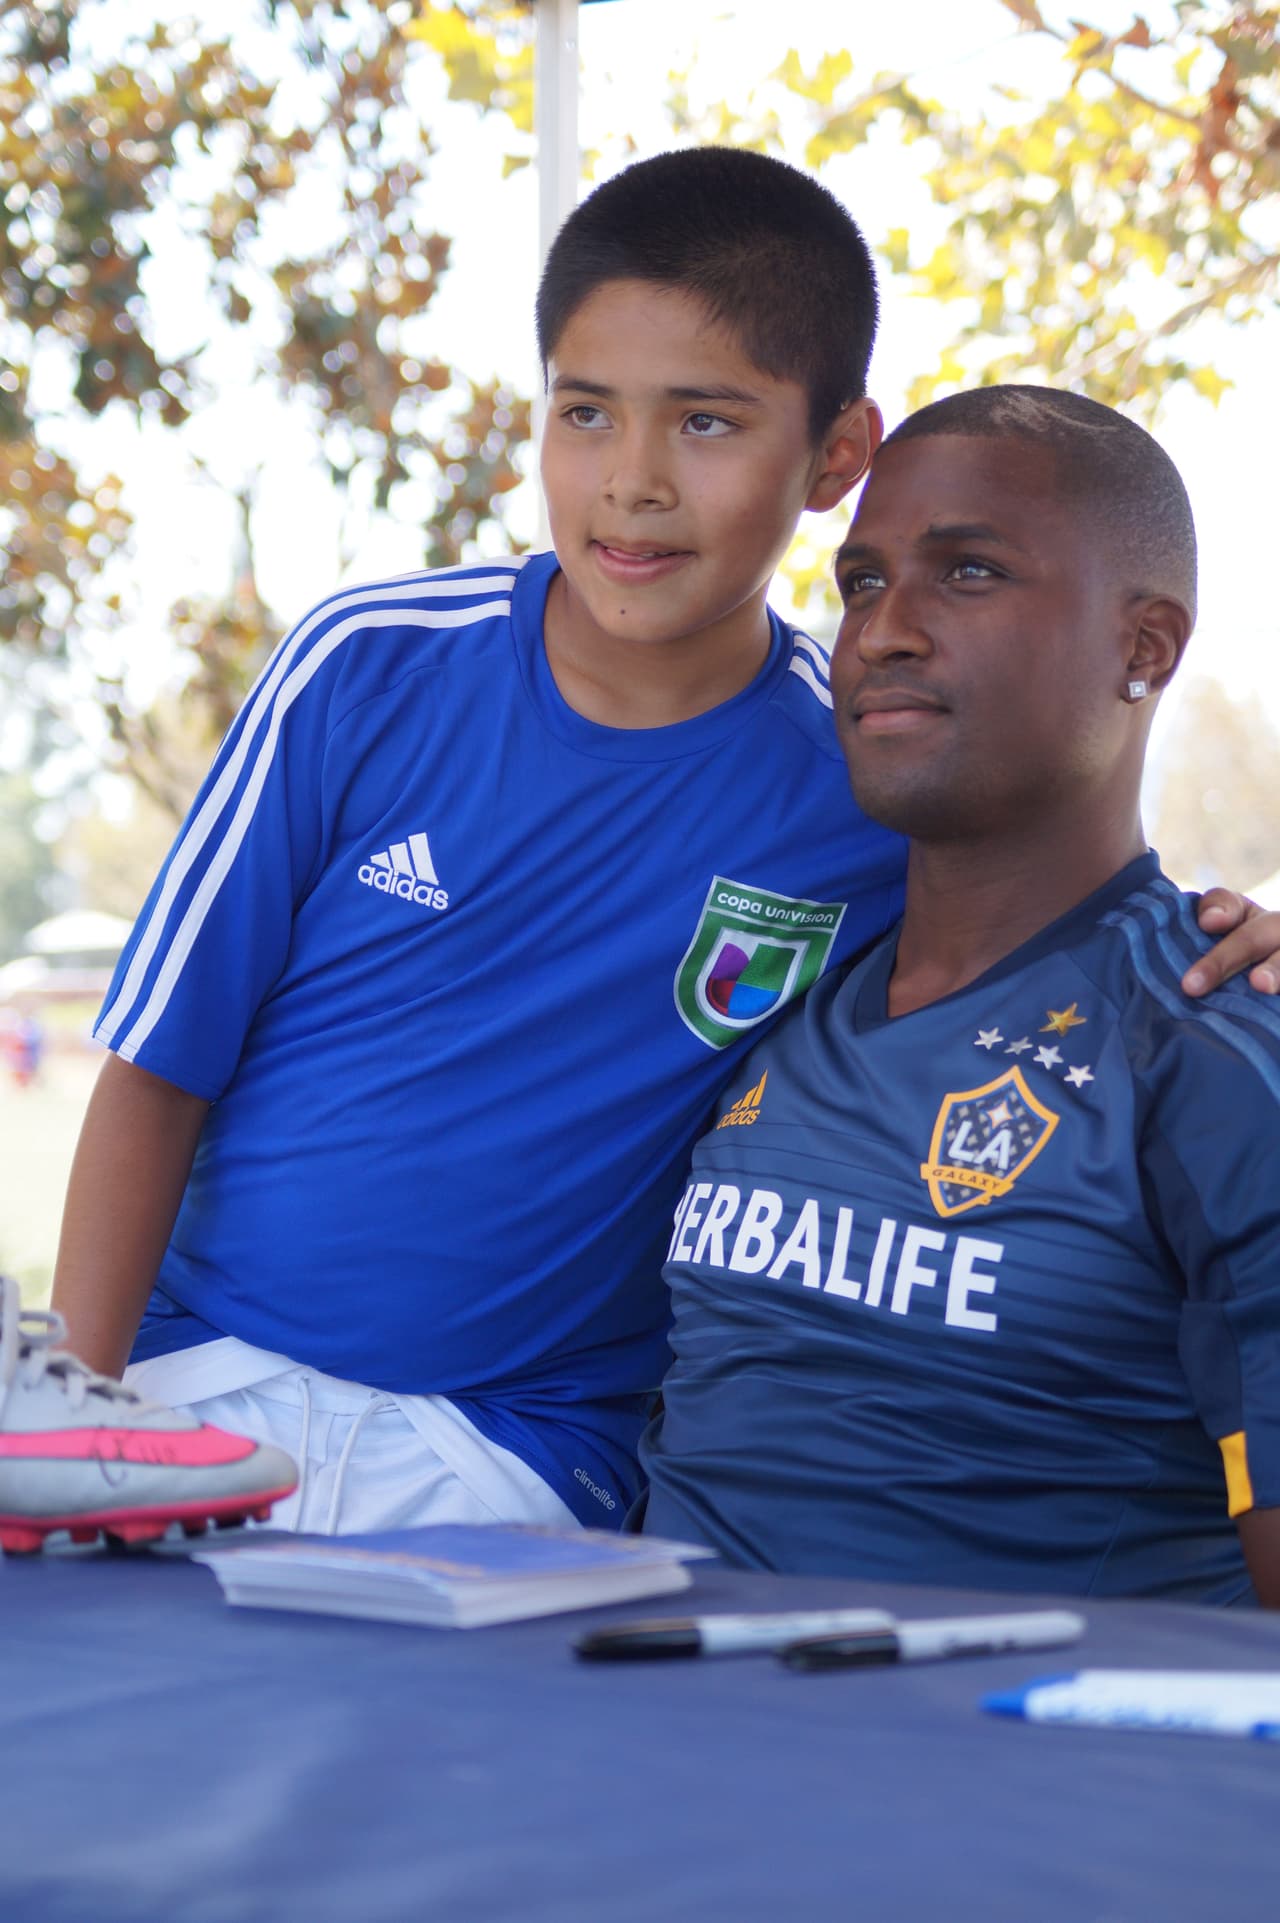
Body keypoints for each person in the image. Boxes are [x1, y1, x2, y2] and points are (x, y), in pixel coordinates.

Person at [51, 150, 1280, 1540]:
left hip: (521, 1455)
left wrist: (1239, 929)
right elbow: (158, 1063)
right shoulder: (369, 664)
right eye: (585, 413)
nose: (631, 481)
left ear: (833, 456)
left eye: (704, 423)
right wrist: (90, 1406)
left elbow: (1061, 888)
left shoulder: (856, 771)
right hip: (194, 1382)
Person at [638, 387, 1280, 1607]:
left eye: (968, 572)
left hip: (996, 1777)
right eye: (862, 582)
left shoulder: (1212, 1049)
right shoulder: (768, 998)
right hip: (626, 1739)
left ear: (1142, 647)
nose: (882, 630)